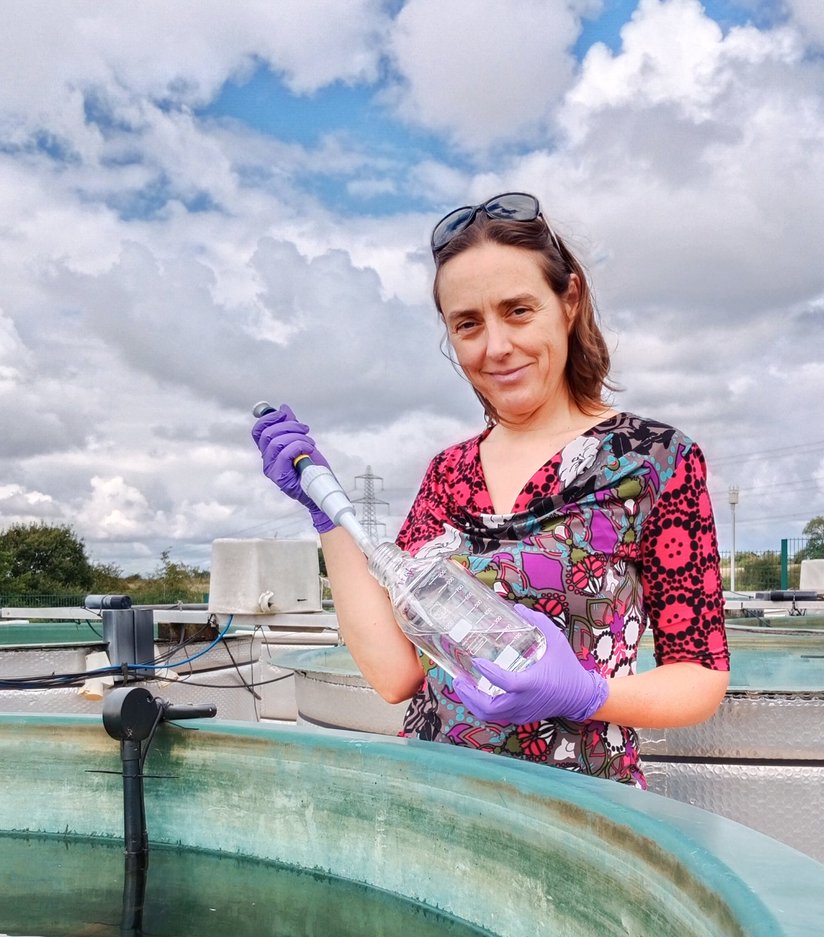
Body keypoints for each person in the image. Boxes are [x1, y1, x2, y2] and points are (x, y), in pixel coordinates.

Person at [253, 191, 729, 785]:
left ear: (570, 301)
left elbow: (701, 676)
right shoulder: (447, 473)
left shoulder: (655, 460)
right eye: (468, 324)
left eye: (518, 311)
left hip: (583, 806)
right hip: (438, 796)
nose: (496, 347)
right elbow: (396, 674)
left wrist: (584, 695)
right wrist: (326, 516)